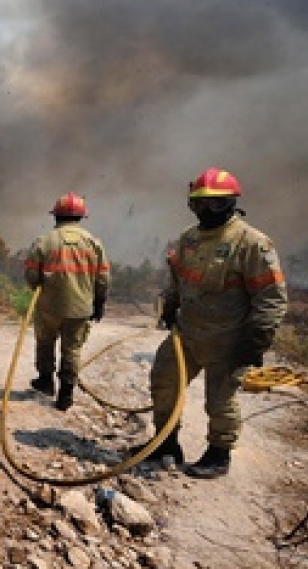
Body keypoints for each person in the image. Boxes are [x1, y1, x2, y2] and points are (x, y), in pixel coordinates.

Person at [138, 167, 287, 478]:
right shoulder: (189, 239)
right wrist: (170, 306)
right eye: (200, 204)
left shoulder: (251, 243)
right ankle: (166, 444)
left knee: (220, 400)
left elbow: (271, 297)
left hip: (227, 339)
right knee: (163, 382)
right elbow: (178, 279)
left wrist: (255, 340)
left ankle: (219, 454)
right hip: (187, 334)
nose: (207, 211)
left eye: (216, 204)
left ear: (232, 202)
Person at [23, 192, 111, 410]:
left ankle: (45, 382)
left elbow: (31, 275)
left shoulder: (44, 241)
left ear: (56, 216)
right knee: (72, 350)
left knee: (45, 342)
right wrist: (99, 302)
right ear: (81, 217)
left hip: (49, 306)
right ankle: (65, 395)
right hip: (81, 308)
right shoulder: (93, 243)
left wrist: (38, 287)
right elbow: (103, 277)